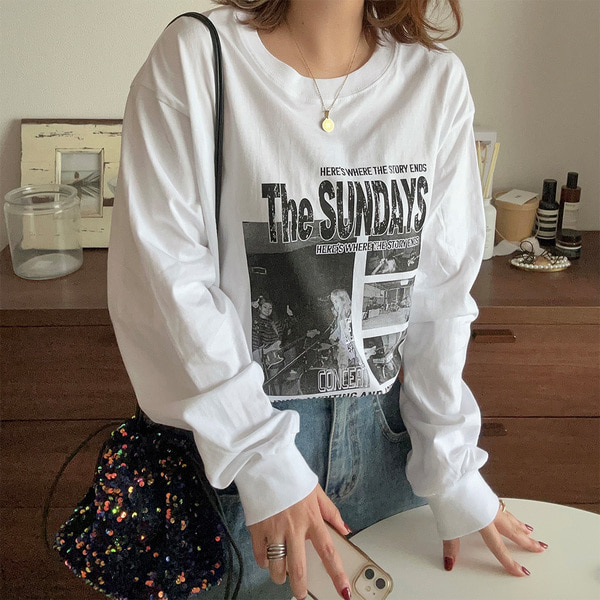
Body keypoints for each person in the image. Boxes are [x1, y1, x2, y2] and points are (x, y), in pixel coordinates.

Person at [107, 1, 548, 599]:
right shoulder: (199, 57)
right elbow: (166, 282)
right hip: (236, 461)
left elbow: (438, 299)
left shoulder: (434, 79)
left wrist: (452, 469)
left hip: (389, 444)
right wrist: (264, 464)